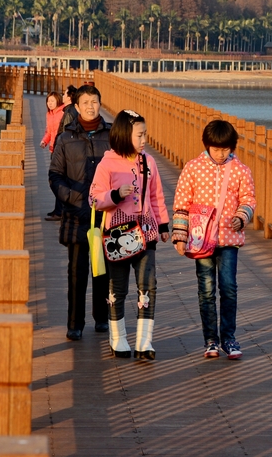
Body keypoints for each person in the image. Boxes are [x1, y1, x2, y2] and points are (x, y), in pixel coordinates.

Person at [171, 120, 256, 359]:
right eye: (216, 148)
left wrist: (242, 217)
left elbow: (248, 199)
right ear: (207, 145)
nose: (221, 154)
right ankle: (210, 339)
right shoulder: (193, 168)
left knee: (229, 288)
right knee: (206, 290)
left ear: (232, 147)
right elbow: (182, 203)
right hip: (201, 240)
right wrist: (180, 236)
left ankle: (229, 338)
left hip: (229, 239)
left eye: (226, 149)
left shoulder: (240, 169)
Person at [89, 110, 169, 360]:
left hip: (146, 232)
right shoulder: (107, 164)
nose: (145, 139)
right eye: (140, 134)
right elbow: (94, 197)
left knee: (148, 286)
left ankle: (145, 341)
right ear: (124, 135)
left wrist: (163, 224)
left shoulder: (149, 162)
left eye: (145, 134)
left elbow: (156, 196)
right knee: (118, 288)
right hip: (117, 236)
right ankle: (118, 338)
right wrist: (114, 195)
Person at [48, 85, 111, 341]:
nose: (89, 106)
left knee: (101, 270)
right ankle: (74, 323)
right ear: (76, 107)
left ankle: (101, 318)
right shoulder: (65, 138)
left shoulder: (112, 136)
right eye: (84, 102)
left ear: (99, 103)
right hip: (76, 215)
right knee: (76, 272)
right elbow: (55, 176)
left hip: (104, 216)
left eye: (94, 101)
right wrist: (74, 198)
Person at [40, 91, 66, 220]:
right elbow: (49, 131)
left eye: (52, 101)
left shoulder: (63, 113)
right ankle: (58, 210)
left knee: (56, 180)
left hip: (61, 150)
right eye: (48, 101)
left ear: (58, 100)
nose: (50, 104)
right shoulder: (49, 114)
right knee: (55, 180)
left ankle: (60, 211)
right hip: (52, 149)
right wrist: (44, 141)